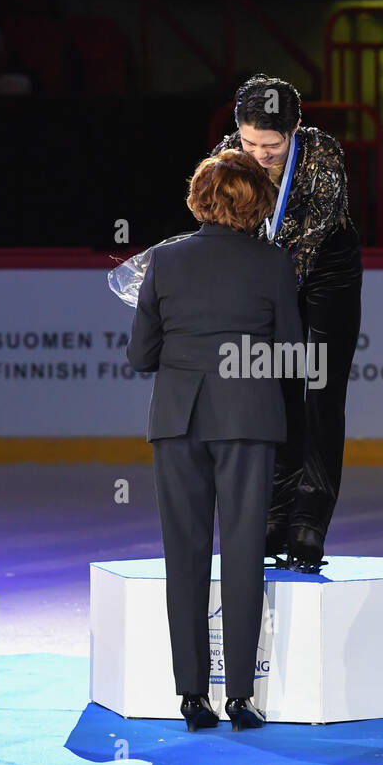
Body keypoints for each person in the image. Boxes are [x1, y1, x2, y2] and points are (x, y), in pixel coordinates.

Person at [127, 149, 303, 731]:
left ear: (199, 196)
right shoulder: (275, 265)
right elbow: (293, 356)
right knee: (244, 553)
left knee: (185, 556)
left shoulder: (164, 262)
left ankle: (192, 697)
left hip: (178, 421)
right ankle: (241, 699)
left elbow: (140, 356)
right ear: (257, 201)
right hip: (248, 419)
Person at [210, 74, 362, 570]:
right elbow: (215, 224)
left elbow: (310, 241)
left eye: (271, 144)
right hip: (269, 276)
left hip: (325, 274)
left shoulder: (324, 156)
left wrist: (263, 285)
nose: (259, 154)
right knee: (276, 392)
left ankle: (310, 522)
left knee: (319, 392)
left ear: (296, 128)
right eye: (250, 141)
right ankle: (274, 517)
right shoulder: (228, 155)